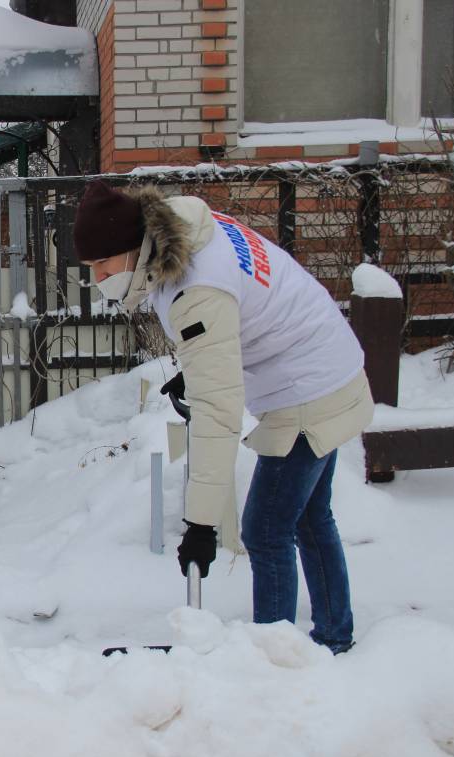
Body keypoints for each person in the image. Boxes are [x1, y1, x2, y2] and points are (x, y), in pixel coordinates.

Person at [72, 181, 374, 654]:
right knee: (312, 517)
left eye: (102, 266)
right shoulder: (186, 233)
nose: (98, 279)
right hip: (328, 366)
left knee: (265, 529)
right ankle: (334, 637)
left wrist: (200, 525)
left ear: (132, 250)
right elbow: (239, 317)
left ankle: (271, 658)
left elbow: (218, 412)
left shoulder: (196, 291)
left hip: (307, 392)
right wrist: (197, 372)